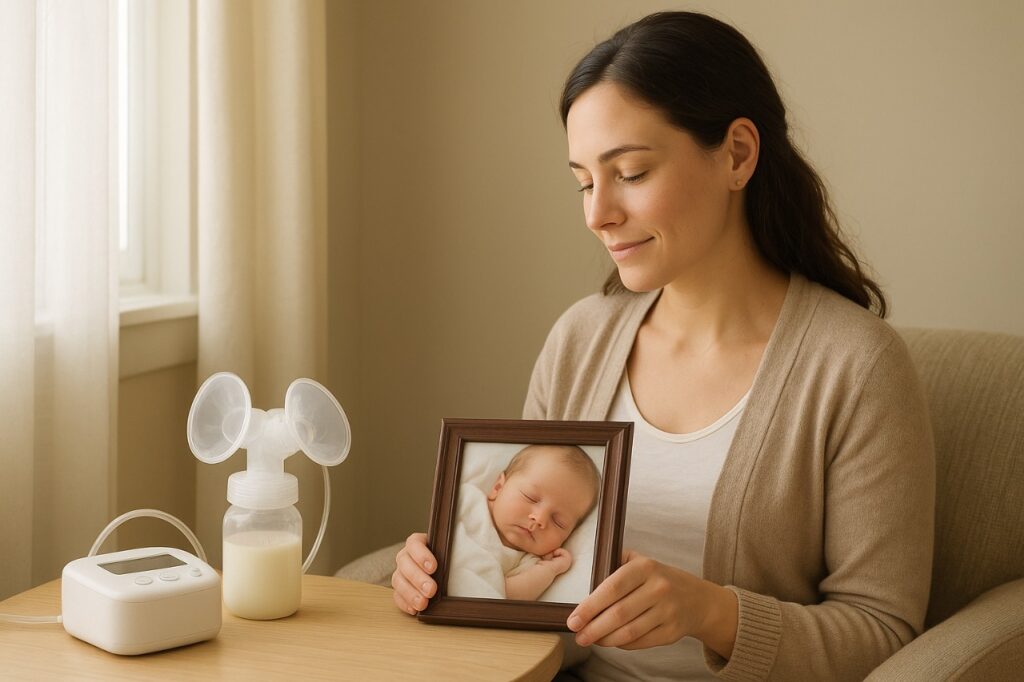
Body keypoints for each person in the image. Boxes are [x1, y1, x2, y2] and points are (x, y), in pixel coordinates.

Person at [392, 11, 934, 681]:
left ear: (737, 154)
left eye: (632, 173)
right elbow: (540, 594)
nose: (598, 214)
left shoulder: (856, 367)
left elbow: (884, 633)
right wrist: (455, 573)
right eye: (585, 182)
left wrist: (713, 613)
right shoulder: (580, 340)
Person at [448, 444, 601, 601]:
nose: (539, 518)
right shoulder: (467, 500)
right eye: (530, 497)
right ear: (498, 487)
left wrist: (550, 570)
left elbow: (504, 596)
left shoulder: (528, 562)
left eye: (558, 522)